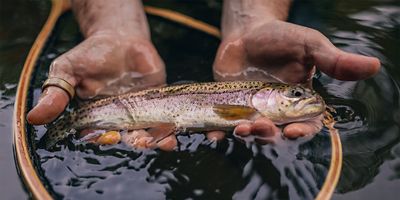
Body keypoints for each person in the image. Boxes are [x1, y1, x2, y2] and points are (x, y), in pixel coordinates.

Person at [27, 0, 380, 150]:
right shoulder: (246, 109)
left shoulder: (251, 106)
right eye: (295, 95)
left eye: (296, 96)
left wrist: (252, 19)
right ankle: (78, 120)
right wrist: (111, 25)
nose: (299, 98)